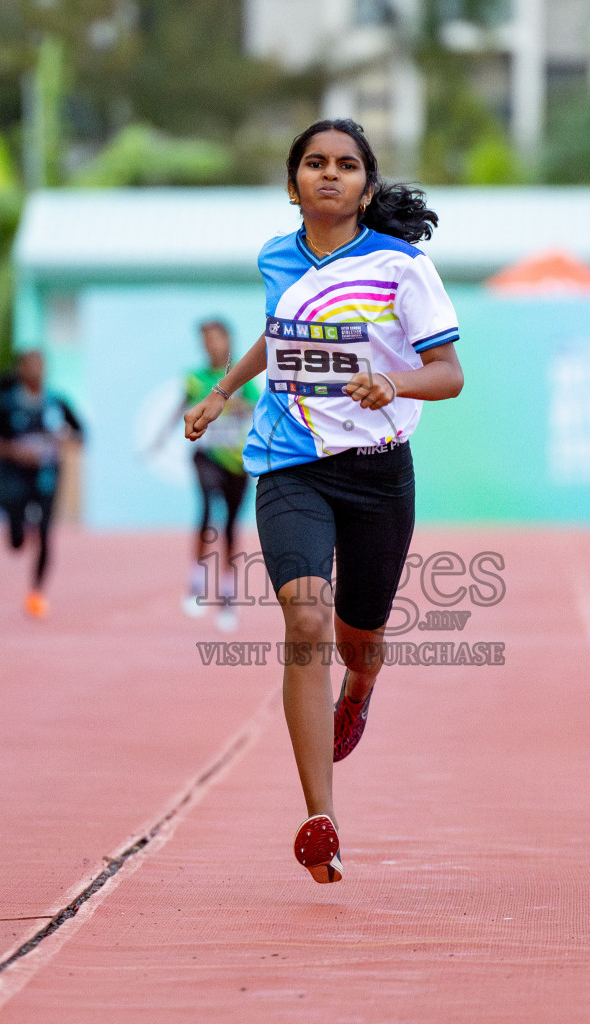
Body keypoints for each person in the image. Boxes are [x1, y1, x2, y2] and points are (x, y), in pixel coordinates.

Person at [184, 118, 464, 883]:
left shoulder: (403, 268)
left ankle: (361, 687)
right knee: (304, 618)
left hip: (377, 472)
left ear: (366, 188)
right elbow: (278, 338)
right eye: (315, 163)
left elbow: (448, 373)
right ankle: (323, 819)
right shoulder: (278, 256)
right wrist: (221, 394)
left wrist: (393, 382)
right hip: (289, 464)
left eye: (346, 165)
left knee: (357, 643)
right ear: (293, 184)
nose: (329, 174)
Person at [171, 319, 259, 632]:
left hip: (236, 461)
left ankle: (227, 594)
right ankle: (196, 582)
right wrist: (159, 438)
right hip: (206, 455)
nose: (210, 346)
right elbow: (180, 408)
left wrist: (233, 404)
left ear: (228, 341)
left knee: (232, 528)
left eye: (215, 339)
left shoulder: (240, 378)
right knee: (208, 510)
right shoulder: (195, 378)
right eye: (204, 340)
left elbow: (256, 406)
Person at [0, 350, 83, 617]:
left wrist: (66, 438)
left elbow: (80, 433)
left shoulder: (56, 401)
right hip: (16, 476)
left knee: (45, 533)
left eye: (40, 365)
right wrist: (15, 451)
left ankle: (36, 591)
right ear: (20, 369)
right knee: (17, 537)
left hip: (47, 476)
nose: (36, 371)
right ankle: (18, 534)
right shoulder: (7, 404)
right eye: (30, 365)